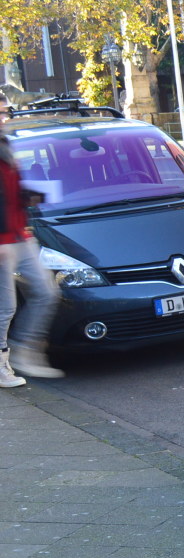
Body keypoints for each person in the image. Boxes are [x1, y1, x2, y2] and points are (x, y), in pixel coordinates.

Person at [0, 94, 62, 384]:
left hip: (19, 235)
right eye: (1, 112)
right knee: (6, 306)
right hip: (2, 240)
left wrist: (32, 196)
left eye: (4, 111)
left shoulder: (4, 145)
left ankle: (24, 351)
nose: (4, 117)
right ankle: (3, 364)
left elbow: (9, 191)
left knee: (46, 292)